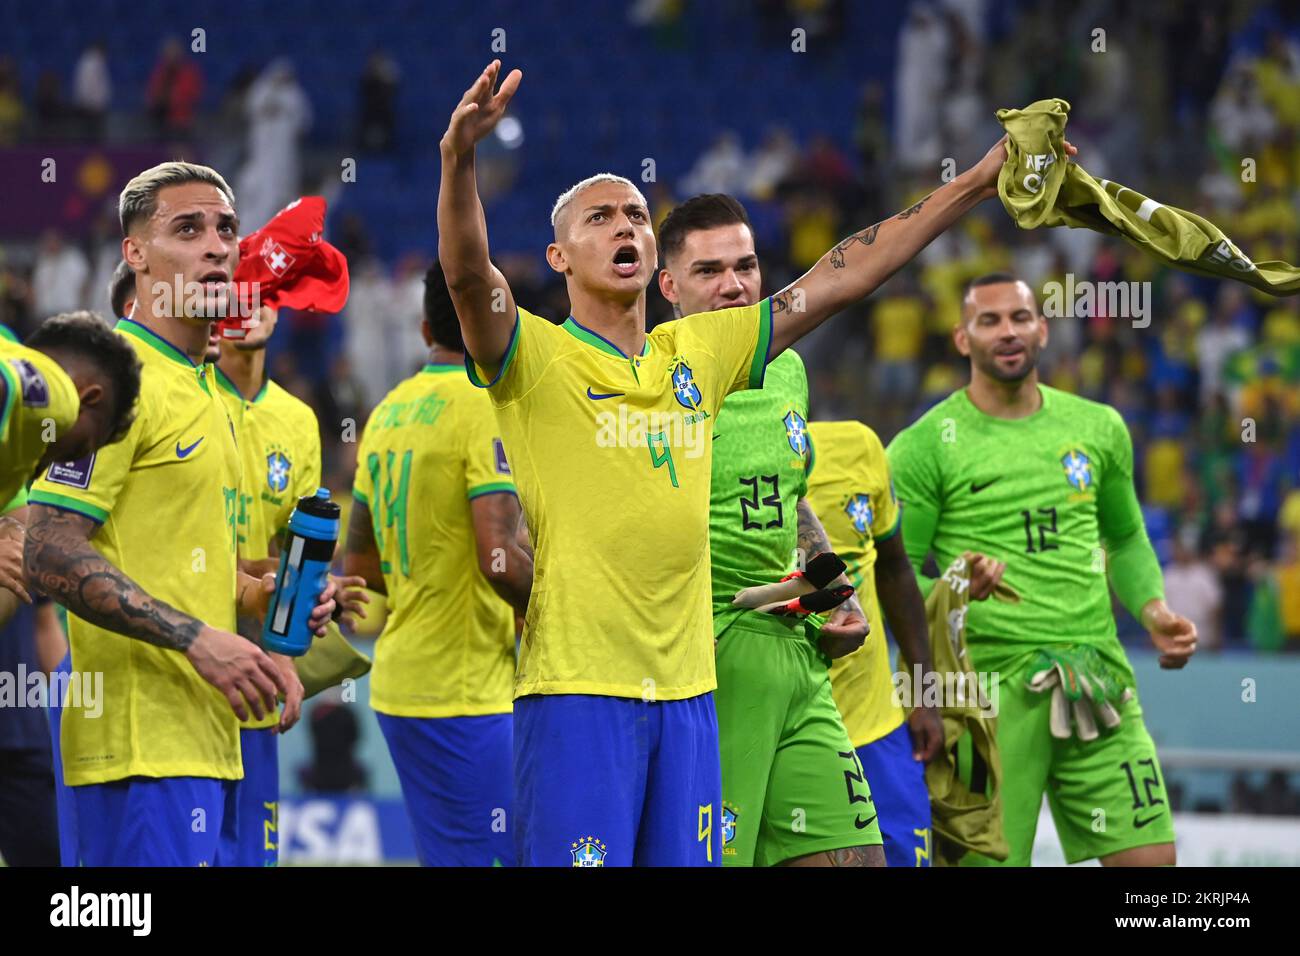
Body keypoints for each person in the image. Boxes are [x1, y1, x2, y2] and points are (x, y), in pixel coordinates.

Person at [438, 60, 1023, 866]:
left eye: (637, 214)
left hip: (690, 695)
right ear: (559, 256)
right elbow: (470, 276)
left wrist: (977, 184)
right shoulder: (532, 356)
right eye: (600, 217)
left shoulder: (699, 353)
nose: (626, 227)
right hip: (577, 692)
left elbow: (843, 274)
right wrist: (458, 159)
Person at [23, 161, 337, 866]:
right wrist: (198, 640)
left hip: (210, 741)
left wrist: (259, 625)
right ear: (134, 254)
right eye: (187, 228)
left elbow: (170, 555)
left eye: (226, 229)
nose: (217, 246)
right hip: (137, 752)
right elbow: (46, 547)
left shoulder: (206, 391)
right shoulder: (113, 378)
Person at [887, 272, 1198, 867]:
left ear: (1043, 330)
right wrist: (954, 587)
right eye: (989, 320)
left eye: (1020, 318)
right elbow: (893, 576)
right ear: (961, 339)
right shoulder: (925, 446)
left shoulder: (1098, 427)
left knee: (1154, 868)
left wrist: (1152, 608)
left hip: (1097, 677)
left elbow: (1126, 536)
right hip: (986, 694)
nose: (1008, 332)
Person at [657, 192, 881, 867]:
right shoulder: (651, 371)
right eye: (709, 272)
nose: (734, 285)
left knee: (859, 858)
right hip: (710, 655)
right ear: (667, 286)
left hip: (796, 650)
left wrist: (835, 588)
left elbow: (792, 497)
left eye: (746, 266)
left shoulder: (786, 366)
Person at [344, 260, 532, 866]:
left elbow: (362, 564)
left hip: (401, 685)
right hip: (467, 690)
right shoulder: (484, 406)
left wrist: (423, 564)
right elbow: (500, 558)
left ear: (425, 330)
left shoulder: (387, 413)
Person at [0, 312, 141, 626]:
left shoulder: (16, 465)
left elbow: (27, 546)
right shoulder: (59, 399)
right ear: (88, 398)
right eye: (79, 450)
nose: (60, 463)